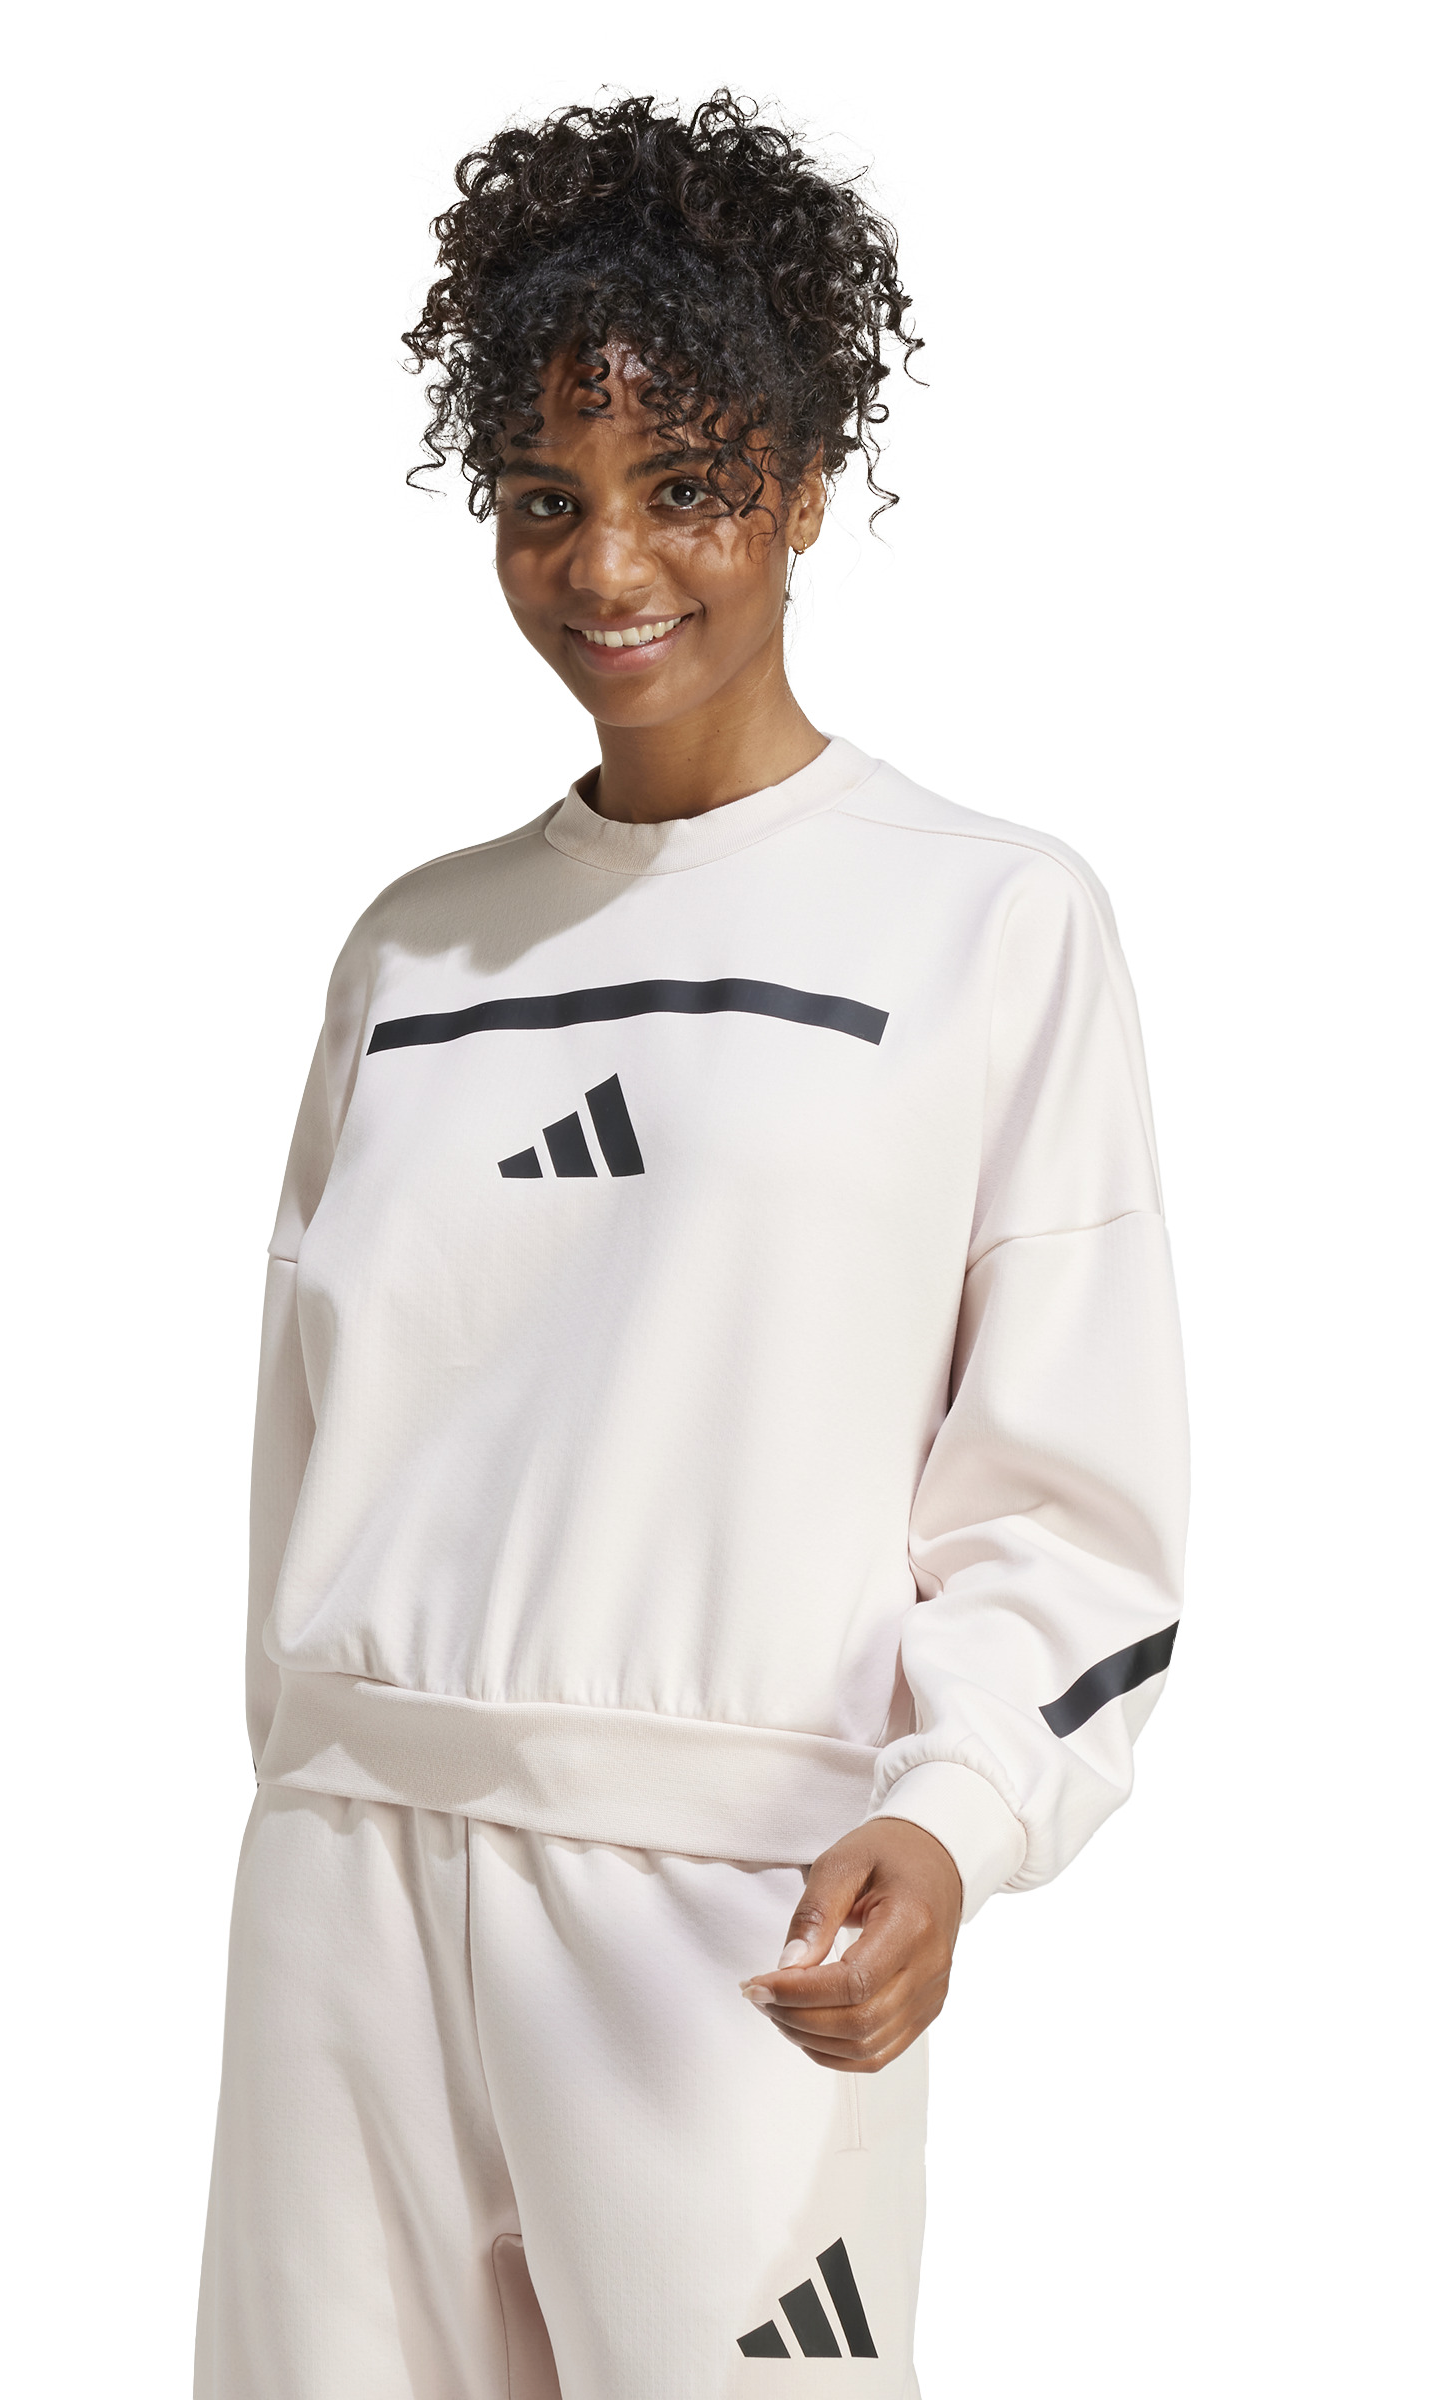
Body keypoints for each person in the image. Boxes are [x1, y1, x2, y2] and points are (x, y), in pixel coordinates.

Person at [195, 92, 1189, 2400]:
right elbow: (304, 1450)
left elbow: (1074, 1494)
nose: (609, 564)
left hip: (733, 1906)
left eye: (685, 484)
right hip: (345, 1891)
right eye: (546, 498)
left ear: (808, 486)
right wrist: (313, 1790)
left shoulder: (984, 920)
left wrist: (956, 1816)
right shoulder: (415, 952)